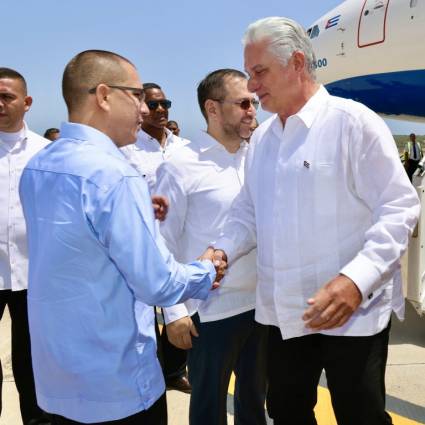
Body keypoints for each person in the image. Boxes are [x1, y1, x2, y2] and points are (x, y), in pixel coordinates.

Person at [213, 17, 420, 425]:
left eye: (259, 72)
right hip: (284, 313)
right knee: (287, 412)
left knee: (360, 415)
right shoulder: (264, 141)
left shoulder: (353, 122)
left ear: (294, 63)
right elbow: (248, 212)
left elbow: (398, 206)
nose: (252, 86)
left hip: (353, 313)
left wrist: (357, 279)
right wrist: (222, 249)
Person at [19, 50, 226, 425]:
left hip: (58, 379)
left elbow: (76, 245)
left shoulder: (39, 165)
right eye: (135, 95)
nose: (144, 109)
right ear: (103, 95)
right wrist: (206, 269)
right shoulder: (115, 175)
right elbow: (157, 284)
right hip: (117, 383)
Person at [157, 69, 267, 425]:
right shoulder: (180, 165)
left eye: (254, 103)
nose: (253, 111)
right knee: (208, 410)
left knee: (255, 406)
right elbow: (162, 241)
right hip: (209, 313)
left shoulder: (261, 157)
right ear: (213, 108)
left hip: (263, 307)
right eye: (244, 103)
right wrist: (173, 313)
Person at [121, 83, 192, 394]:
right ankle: (145, 373)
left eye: (166, 103)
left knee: (183, 309)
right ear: (141, 107)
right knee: (144, 315)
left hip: (181, 240)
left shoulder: (186, 148)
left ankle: (174, 371)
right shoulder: (127, 150)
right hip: (141, 244)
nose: (161, 109)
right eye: (153, 104)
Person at [0, 67, 49, 425]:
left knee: (33, 360)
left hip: (35, 272)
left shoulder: (46, 153)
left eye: (7, 96)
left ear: (27, 102)